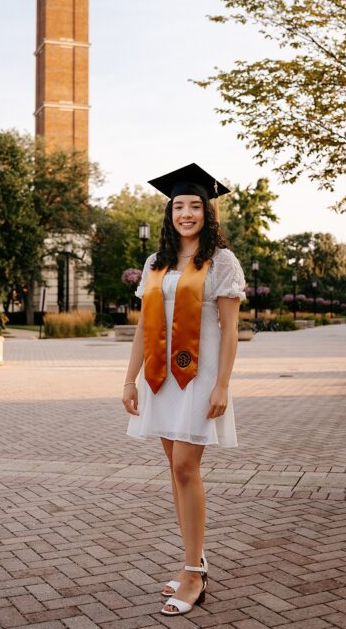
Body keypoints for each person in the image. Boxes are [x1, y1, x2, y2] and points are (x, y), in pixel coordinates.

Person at [121, 163, 246, 618]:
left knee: (186, 468)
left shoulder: (221, 261)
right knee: (175, 472)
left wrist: (223, 385)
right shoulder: (157, 263)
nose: (186, 213)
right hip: (160, 378)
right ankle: (193, 562)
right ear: (169, 212)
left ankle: (194, 572)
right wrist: (128, 379)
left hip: (199, 378)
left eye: (195, 205)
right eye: (179, 206)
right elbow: (142, 328)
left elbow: (230, 330)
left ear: (207, 212)